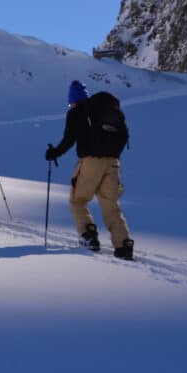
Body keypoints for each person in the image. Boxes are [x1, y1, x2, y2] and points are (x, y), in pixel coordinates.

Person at [45, 80, 134, 260]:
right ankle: (123, 246)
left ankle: (89, 236)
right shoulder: (104, 111)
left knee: (78, 200)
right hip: (113, 163)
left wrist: (54, 153)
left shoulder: (77, 112)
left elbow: (69, 140)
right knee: (111, 204)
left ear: (73, 100)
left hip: (90, 162)